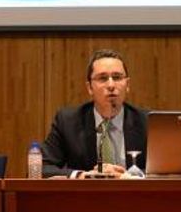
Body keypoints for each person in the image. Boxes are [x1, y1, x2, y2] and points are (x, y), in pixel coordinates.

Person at [41, 49, 148, 178]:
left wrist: (129, 176)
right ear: (90, 88)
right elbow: (43, 168)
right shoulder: (68, 122)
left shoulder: (148, 122)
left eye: (117, 77)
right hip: (85, 196)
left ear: (127, 85)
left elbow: (169, 171)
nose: (111, 85)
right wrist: (81, 176)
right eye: (102, 78)